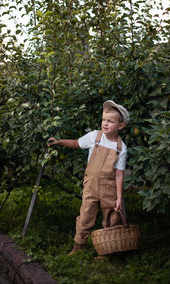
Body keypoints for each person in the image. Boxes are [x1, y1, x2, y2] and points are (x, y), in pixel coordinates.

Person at [47, 100, 130, 255]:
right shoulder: (94, 137)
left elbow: (119, 174)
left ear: (120, 126)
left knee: (112, 218)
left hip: (109, 188)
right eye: (104, 120)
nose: (105, 124)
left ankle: (107, 249)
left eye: (110, 121)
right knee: (86, 215)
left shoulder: (121, 148)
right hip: (91, 184)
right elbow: (76, 143)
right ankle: (78, 246)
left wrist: (119, 197)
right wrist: (59, 142)